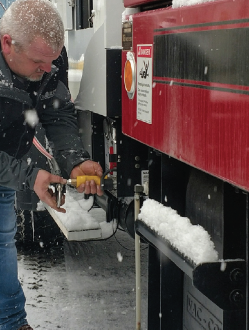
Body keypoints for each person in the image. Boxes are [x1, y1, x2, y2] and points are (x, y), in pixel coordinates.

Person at [0, 1, 104, 329]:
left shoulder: (47, 56)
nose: (47, 69)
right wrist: (30, 175)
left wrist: (75, 159)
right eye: (37, 62)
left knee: (2, 240)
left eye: (52, 60)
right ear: (7, 43)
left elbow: (55, 109)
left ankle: (12, 322)